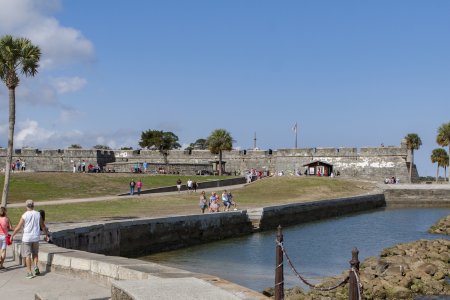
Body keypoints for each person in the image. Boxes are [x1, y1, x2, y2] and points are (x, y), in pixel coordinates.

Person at [10, 200, 49, 279]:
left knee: (27, 255)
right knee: (35, 253)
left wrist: (12, 235)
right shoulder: (38, 214)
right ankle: (36, 267)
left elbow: (18, 227)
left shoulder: (24, 215)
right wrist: (46, 235)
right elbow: (43, 226)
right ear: (33, 205)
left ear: (26, 206)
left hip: (27, 238)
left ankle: (29, 272)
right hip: (35, 237)